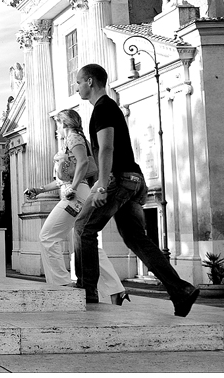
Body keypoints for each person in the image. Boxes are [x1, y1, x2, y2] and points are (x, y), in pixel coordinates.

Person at [73, 63, 200, 316]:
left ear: (89, 81)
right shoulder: (110, 107)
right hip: (133, 180)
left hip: (118, 179)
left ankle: (86, 292)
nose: (76, 88)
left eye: (78, 82)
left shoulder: (103, 108)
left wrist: (102, 185)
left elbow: (106, 147)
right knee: (136, 239)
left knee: (83, 227)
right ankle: (181, 290)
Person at [25, 109, 129, 305]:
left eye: (58, 124)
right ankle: (116, 289)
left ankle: (61, 285)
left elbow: (83, 163)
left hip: (75, 196)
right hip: (78, 193)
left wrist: (72, 188)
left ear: (64, 124)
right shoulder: (73, 140)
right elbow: (63, 180)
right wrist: (39, 190)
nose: (57, 129)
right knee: (84, 244)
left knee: (47, 237)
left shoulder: (73, 138)